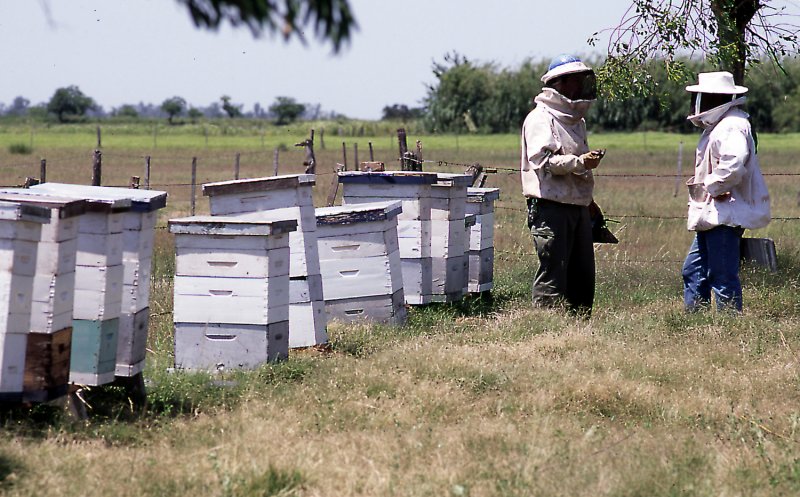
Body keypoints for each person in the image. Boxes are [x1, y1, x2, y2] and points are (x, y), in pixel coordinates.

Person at [520, 54, 605, 316]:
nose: (581, 86)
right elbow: (544, 163)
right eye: (576, 81)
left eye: (583, 80)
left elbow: (574, 166)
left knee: (582, 275)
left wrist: (588, 202)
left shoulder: (576, 120)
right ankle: (546, 331)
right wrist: (579, 163)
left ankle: (579, 330)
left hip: (576, 206)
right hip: (550, 207)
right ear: (561, 83)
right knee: (553, 273)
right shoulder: (540, 118)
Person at [682, 71, 771, 313]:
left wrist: (714, 187)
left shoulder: (732, 125)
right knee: (693, 271)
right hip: (715, 213)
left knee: (721, 275)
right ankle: (695, 324)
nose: (697, 102)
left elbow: (733, 163)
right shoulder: (721, 124)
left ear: (715, 98)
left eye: (702, 96)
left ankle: (729, 328)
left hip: (725, 213)